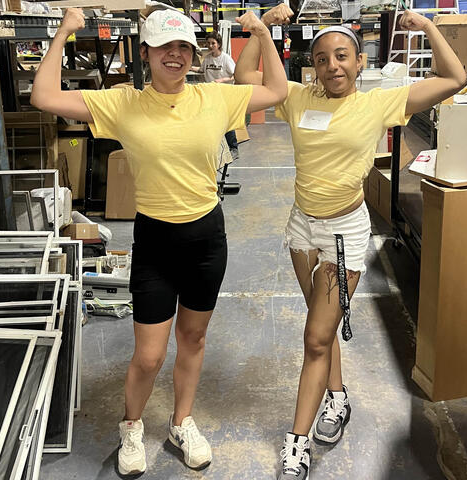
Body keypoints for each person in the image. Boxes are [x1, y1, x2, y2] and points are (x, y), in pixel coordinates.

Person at [30, 7, 287, 476]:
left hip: (208, 237)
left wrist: (264, 33)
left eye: (184, 47)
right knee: (148, 356)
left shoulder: (214, 97)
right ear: (145, 52)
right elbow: (43, 95)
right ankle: (132, 427)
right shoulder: (121, 103)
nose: (176, 55)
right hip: (156, 242)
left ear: (193, 52)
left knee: (194, 338)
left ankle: (181, 422)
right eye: (165, 46)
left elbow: (277, 90)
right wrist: (64, 30)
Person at [235, 5, 467, 479]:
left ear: (360, 62)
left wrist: (428, 27)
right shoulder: (297, 98)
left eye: (342, 56)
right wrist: (262, 27)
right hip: (302, 229)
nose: (333, 66)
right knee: (321, 328)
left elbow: (455, 77)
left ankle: (296, 441)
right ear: (313, 66)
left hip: (343, 234)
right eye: (322, 59)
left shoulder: (380, 103)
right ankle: (337, 398)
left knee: (317, 335)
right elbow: (244, 76)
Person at [197, 31, 240, 159]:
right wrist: (187, 67)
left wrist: (222, 80)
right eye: (209, 43)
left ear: (219, 44)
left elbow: (236, 75)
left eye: (213, 43)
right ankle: (215, 148)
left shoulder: (226, 59)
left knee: (226, 122)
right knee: (212, 121)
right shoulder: (207, 58)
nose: (210, 46)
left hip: (224, 95)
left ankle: (234, 148)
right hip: (211, 95)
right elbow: (200, 70)